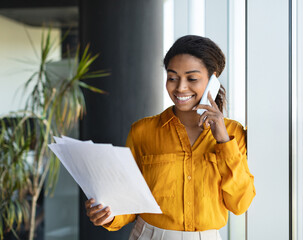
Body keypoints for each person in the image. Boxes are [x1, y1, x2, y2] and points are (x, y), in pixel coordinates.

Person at [85, 35, 256, 240]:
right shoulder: (142, 132)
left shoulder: (234, 134)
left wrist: (222, 141)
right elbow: (129, 204)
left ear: (213, 80)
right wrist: (107, 215)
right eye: (173, 77)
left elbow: (240, 204)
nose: (180, 88)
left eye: (192, 78)